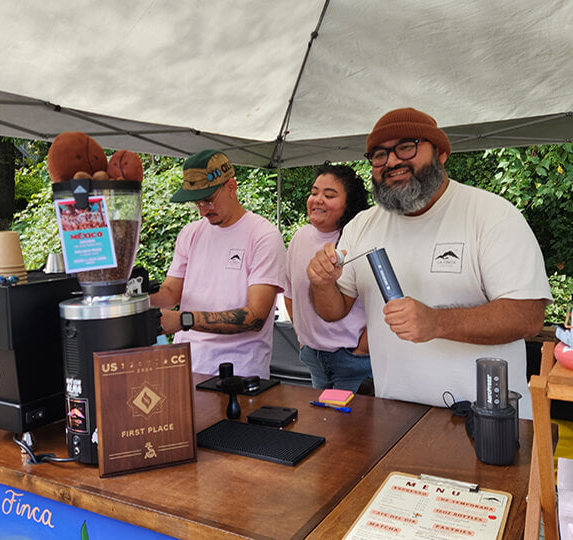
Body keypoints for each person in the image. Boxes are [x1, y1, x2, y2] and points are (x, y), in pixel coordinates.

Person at [307, 107, 552, 419]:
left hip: (487, 423)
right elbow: (333, 310)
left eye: (407, 146)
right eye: (379, 154)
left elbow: (528, 317)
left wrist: (437, 322)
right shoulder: (362, 226)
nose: (392, 161)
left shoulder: (491, 216)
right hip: (393, 418)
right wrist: (322, 282)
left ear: (442, 153)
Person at [150, 149, 286, 379]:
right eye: (197, 202)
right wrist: (131, 295)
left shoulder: (263, 236)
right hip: (187, 365)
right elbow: (171, 293)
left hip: (239, 372)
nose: (203, 210)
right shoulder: (190, 233)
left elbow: (255, 317)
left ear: (231, 187)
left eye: (209, 200)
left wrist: (184, 320)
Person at [284, 163, 372, 392]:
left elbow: (382, 301)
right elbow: (289, 292)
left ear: (349, 204)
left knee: (352, 426)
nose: (317, 199)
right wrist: (302, 338)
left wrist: (363, 349)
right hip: (313, 357)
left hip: (353, 360)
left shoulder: (360, 241)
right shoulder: (300, 237)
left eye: (329, 195)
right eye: (314, 193)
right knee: (321, 424)